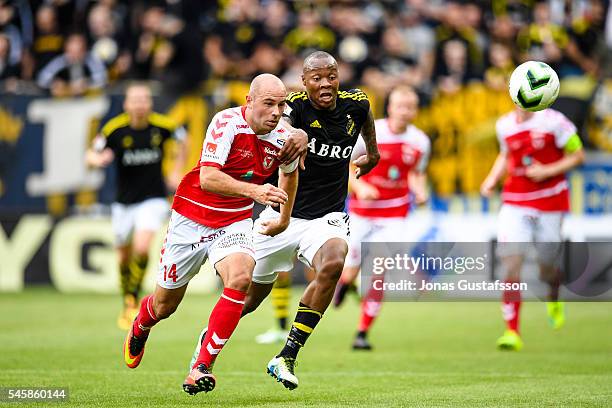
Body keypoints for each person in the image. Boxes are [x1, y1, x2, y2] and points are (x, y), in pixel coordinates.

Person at [189, 51, 379, 390]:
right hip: (279, 214)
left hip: (327, 217)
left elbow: (365, 120)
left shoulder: (357, 103)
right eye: (317, 79)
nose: (325, 84)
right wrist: (297, 133)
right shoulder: (292, 106)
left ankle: (286, 355)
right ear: (304, 83)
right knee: (247, 299)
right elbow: (282, 123)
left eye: (331, 76)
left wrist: (373, 153)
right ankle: (204, 356)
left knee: (334, 262)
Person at [122, 73, 307, 396]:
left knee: (240, 277)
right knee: (165, 306)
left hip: (232, 222)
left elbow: (288, 177)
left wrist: (283, 219)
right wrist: (256, 192)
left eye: (281, 105)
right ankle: (141, 324)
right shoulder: (226, 123)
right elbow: (208, 178)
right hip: (190, 218)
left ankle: (201, 367)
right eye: (268, 104)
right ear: (249, 102)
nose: (276, 112)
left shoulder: (283, 138)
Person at [333, 86, 431, 351]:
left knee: (379, 271)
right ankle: (345, 282)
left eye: (410, 106)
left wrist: (420, 190)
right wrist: (361, 187)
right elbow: (347, 167)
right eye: (400, 105)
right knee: (350, 264)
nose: (404, 111)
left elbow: (415, 173)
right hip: (362, 212)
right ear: (390, 107)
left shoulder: (420, 141)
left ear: (415, 110)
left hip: (395, 214)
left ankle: (362, 332)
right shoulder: (370, 133)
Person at [480, 106, 585, 351]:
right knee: (511, 262)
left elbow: (579, 155)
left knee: (546, 268)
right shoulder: (504, 124)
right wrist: (492, 179)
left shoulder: (555, 121)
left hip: (551, 201)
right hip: (515, 201)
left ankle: (553, 296)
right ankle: (512, 331)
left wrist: (547, 170)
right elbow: (505, 155)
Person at [86, 83, 186, 330]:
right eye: (136, 99)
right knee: (123, 256)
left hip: (152, 199)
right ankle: (127, 298)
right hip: (123, 203)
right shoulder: (115, 129)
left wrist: (176, 171)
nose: (141, 104)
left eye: (144, 99)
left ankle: (132, 300)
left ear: (149, 103)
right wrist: (98, 159)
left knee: (142, 247)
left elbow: (184, 139)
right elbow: (90, 154)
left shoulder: (162, 126)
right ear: (126, 104)